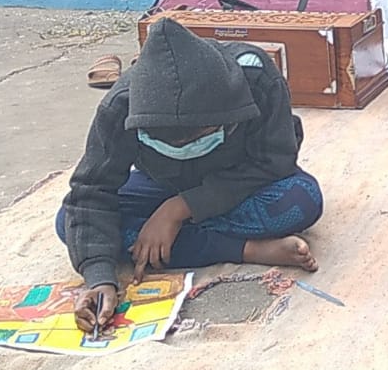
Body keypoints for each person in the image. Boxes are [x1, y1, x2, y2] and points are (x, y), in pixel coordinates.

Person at [57, 19, 323, 334]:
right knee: (70, 224)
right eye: (173, 144)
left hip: (241, 185)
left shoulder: (256, 78)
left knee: (301, 200)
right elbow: (91, 192)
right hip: (161, 185)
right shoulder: (121, 106)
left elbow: (275, 161)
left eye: (201, 137)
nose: (189, 149)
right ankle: (247, 248)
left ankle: (176, 237)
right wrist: (99, 277)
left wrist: (179, 209)